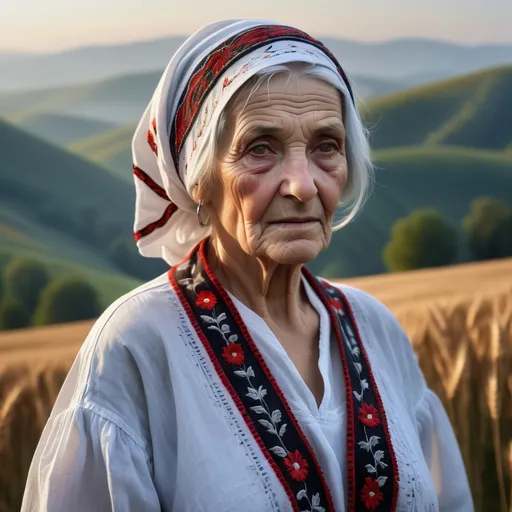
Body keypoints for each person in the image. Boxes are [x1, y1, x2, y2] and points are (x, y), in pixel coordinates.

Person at [21, 19, 473, 512]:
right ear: (198, 178)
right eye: (260, 148)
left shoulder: (375, 328)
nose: (303, 185)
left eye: (326, 146)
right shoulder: (136, 345)